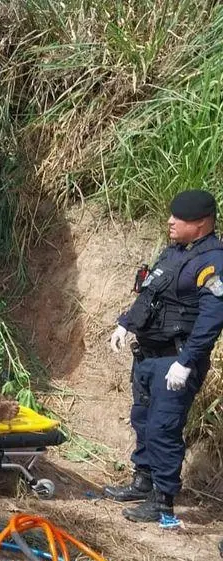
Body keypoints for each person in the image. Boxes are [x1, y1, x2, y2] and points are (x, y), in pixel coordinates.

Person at [105, 190, 223, 526]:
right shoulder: (175, 252)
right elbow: (151, 292)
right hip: (147, 357)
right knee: (143, 421)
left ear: (200, 224)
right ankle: (142, 481)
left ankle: (163, 500)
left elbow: (212, 319)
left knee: (163, 428)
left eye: (179, 218)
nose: (170, 222)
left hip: (174, 361)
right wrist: (125, 325)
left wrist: (186, 362)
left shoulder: (213, 262)